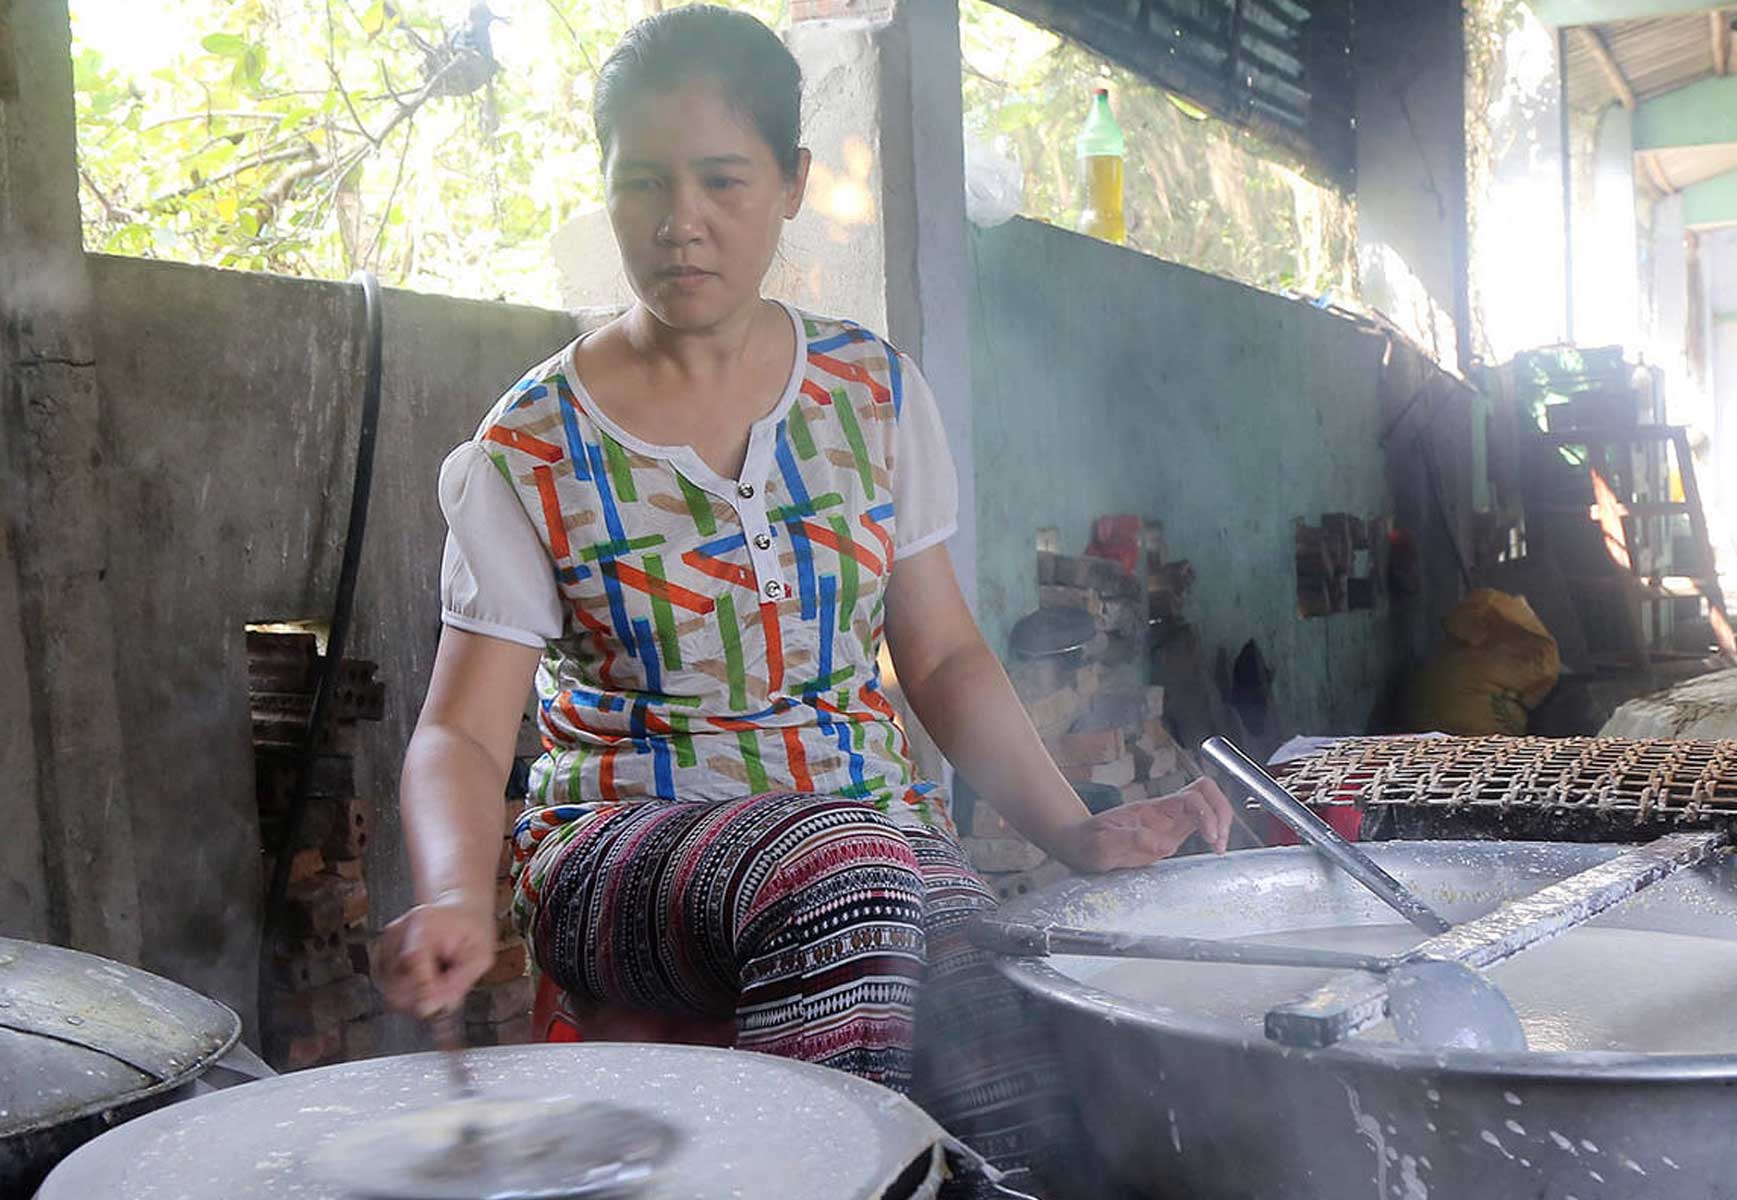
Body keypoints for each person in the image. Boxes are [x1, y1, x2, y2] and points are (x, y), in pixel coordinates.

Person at [373, 5, 1232, 1188]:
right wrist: (458, 896)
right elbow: (463, 733)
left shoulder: (869, 395)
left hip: (862, 837)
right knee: (848, 876)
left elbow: (941, 660)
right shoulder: (530, 447)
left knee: (1005, 1007)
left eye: (724, 180)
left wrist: (1077, 833)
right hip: (620, 854)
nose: (682, 224)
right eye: (644, 185)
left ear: (791, 183)